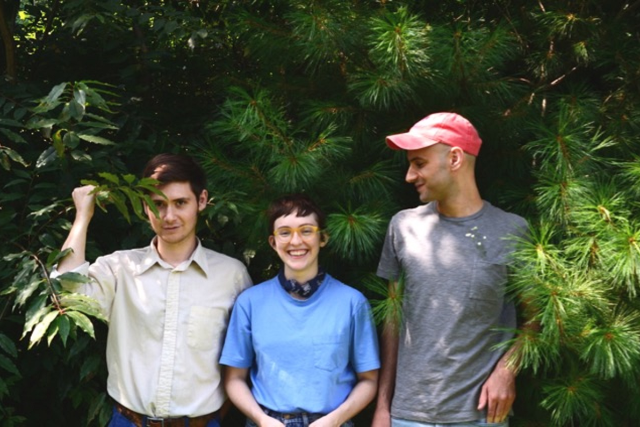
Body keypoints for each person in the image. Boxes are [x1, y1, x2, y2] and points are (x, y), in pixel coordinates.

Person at [54, 153, 252, 427]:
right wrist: (83, 216)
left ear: (201, 200)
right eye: (158, 204)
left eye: (180, 203)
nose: (169, 216)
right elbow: (65, 290)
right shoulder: (120, 269)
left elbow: (246, 355)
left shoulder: (231, 275)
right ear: (144, 207)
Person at [371, 113, 530, 427]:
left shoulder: (512, 231)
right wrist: (382, 407)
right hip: (408, 416)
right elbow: (392, 322)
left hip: (480, 416)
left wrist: (507, 370)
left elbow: (538, 317)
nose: (409, 176)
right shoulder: (403, 226)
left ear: (455, 158)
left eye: (419, 163)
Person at [220, 194, 380, 427]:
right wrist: (262, 420)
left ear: (322, 238)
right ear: (273, 242)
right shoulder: (250, 303)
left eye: (306, 231)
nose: (296, 241)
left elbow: (369, 380)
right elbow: (234, 379)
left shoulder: (352, 303)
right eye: (284, 232)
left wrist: (334, 420)